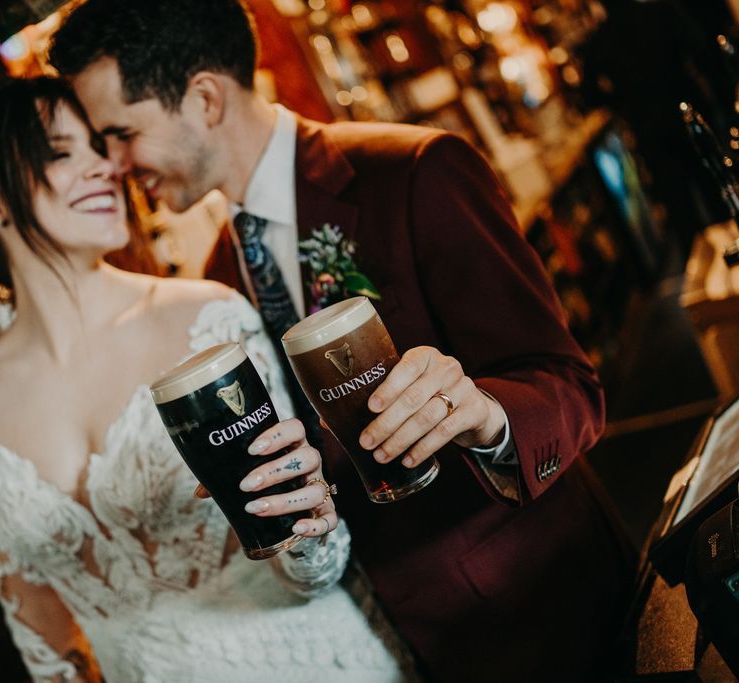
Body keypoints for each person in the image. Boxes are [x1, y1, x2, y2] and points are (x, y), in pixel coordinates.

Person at [50, 2, 636, 680]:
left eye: (120, 134)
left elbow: (570, 384)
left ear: (205, 99)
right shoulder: (217, 276)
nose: (115, 165)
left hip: (544, 614)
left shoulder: (415, 171)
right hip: (390, 645)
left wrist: (483, 415)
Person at [0, 76, 412, 682]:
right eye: (61, 152)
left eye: (101, 145)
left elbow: (309, 564)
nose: (105, 167)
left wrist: (307, 524)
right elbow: (35, 616)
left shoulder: (204, 320)